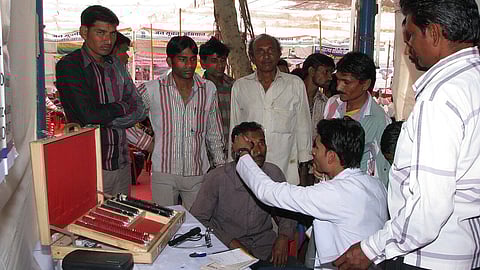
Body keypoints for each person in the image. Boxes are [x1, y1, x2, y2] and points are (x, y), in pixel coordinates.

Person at [334, 0, 480, 269]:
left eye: (411, 36)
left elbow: (430, 207)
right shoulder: (473, 79)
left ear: (434, 33)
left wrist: (371, 248)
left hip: (430, 254)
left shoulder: (441, 96)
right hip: (463, 245)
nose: (409, 48)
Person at [233, 117, 388, 269]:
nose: (312, 152)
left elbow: (267, 192)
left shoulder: (333, 193)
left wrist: (243, 153)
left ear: (331, 156)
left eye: (317, 147)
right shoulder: (375, 184)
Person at [56, 5, 146, 195]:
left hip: (121, 162)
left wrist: (106, 118)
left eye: (112, 34)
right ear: (84, 32)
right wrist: (122, 106)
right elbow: (87, 114)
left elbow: (139, 107)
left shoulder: (116, 65)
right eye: (101, 33)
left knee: (122, 221)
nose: (108, 40)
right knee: (93, 222)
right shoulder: (70, 65)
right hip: (91, 164)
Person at [190, 121, 297, 268]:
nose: (258, 150)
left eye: (261, 143)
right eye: (250, 145)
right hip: (227, 253)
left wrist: (284, 236)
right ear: (237, 149)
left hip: (265, 250)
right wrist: (230, 241)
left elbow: (287, 213)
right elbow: (198, 219)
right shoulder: (217, 178)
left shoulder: (273, 173)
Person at [140, 36, 225, 210]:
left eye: (193, 59)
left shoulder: (208, 89)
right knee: (165, 225)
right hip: (164, 171)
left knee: (197, 224)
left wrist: (220, 166)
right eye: (182, 59)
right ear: (169, 61)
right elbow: (124, 119)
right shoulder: (151, 89)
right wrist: (147, 143)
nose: (189, 65)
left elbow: (214, 132)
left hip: (197, 172)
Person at [230, 34, 312, 186]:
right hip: (251, 167)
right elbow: (235, 128)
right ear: (252, 57)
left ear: (279, 53)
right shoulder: (241, 87)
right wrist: (233, 160)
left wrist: (305, 165)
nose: (266, 56)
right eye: (260, 52)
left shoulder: (295, 84)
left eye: (270, 50)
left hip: (286, 167)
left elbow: (303, 127)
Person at [324, 52, 391, 187]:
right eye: (338, 80)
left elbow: (383, 168)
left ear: (365, 84)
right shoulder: (332, 104)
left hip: (356, 190)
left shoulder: (379, 120)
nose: (339, 87)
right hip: (328, 186)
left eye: (346, 82)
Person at [199, 37, 234, 146]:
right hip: (205, 151)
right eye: (214, 61)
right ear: (203, 63)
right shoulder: (197, 90)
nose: (220, 65)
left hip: (230, 149)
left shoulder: (234, 87)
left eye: (222, 60)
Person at [302, 53, 335, 137]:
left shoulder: (325, 102)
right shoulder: (292, 96)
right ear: (312, 71)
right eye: (326, 72)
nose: (330, 77)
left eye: (331, 73)